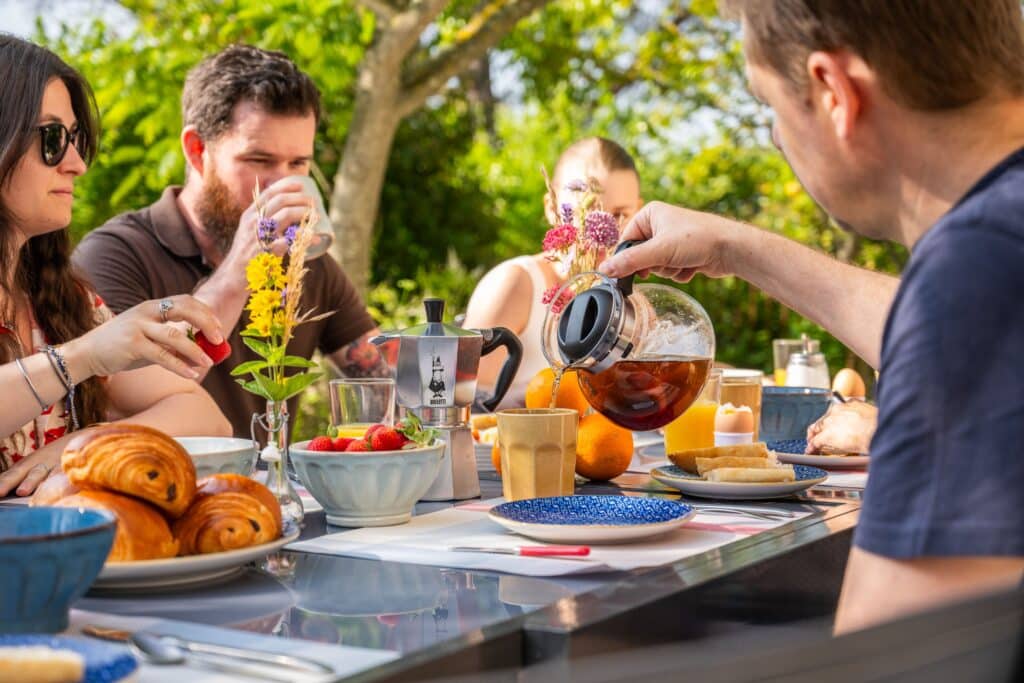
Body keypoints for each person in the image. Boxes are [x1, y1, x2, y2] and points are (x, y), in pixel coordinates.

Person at [599, 0, 1024, 633]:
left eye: (769, 105)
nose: (774, 135)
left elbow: (895, 662)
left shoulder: (979, 275)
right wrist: (735, 248)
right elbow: (949, 331)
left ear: (833, 92)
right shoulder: (996, 256)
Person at [74, 45, 388, 437]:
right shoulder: (116, 254)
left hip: (268, 490)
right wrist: (240, 268)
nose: (281, 183)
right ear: (197, 150)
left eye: (298, 164)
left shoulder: (305, 260)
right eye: (259, 161)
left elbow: (383, 375)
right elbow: (125, 396)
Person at [0, 35, 231, 497]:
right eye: (51, 139)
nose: (77, 163)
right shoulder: (82, 334)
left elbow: (207, 416)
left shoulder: (63, 300)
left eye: (75, 139)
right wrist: (83, 357)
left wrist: (84, 443)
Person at [463, 138, 643, 407]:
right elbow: (465, 399)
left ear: (639, 211)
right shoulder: (517, 284)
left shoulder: (633, 305)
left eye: (620, 214)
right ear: (552, 206)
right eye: (589, 211)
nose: (606, 230)